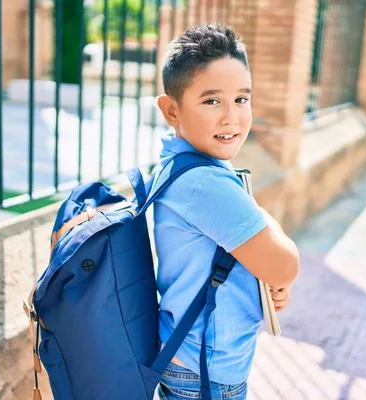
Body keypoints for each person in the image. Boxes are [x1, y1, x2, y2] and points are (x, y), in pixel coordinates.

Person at [153, 23, 300, 400]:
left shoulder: (183, 164)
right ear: (172, 110)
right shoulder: (207, 185)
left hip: (189, 358)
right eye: (211, 100)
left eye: (242, 99)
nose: (231, 117)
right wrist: (271, 242)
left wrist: (262, 274)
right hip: (207, 374)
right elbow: (284, 265)